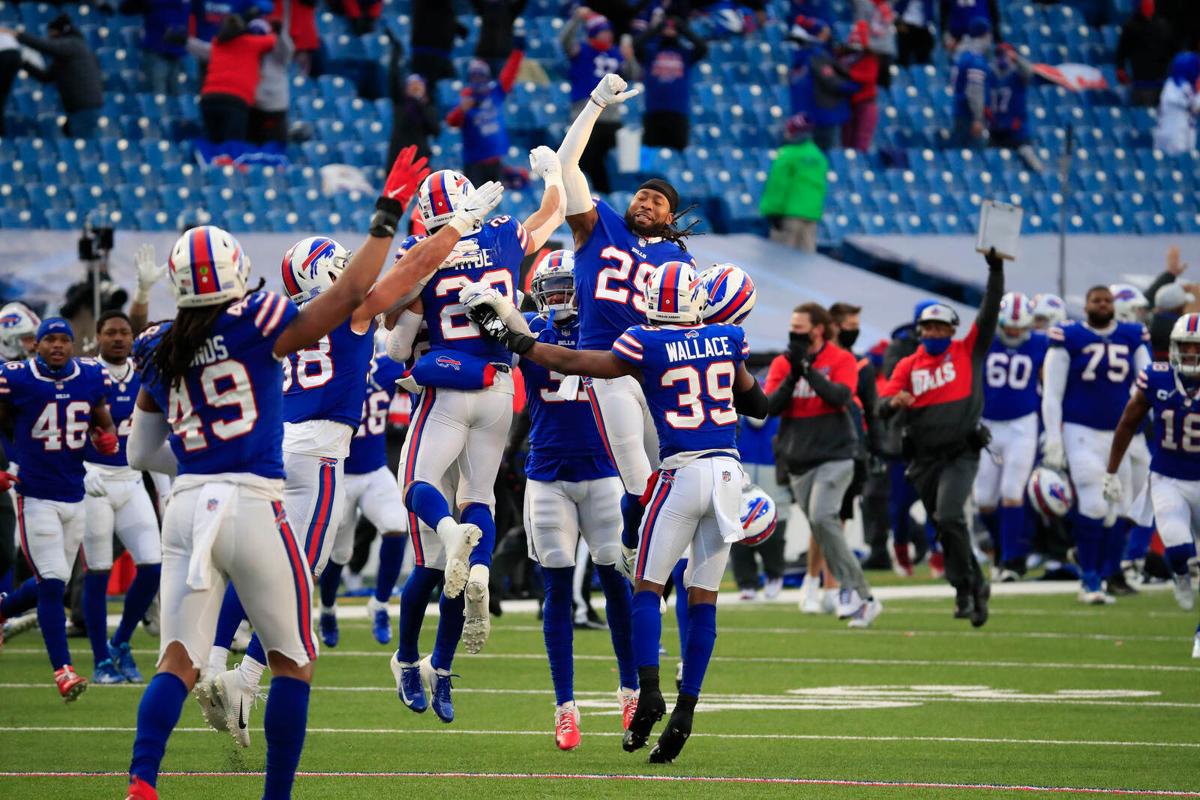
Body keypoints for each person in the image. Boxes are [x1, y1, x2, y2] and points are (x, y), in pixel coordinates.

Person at [122, 163, 502, 800]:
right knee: (293, 653)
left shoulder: (161, 346)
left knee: (176, 659)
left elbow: (141, 452)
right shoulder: (264, 320)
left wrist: (198, 465)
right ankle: (251, 708)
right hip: (288, 470)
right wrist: (450, 225)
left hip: (191, 501)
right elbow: (395, 278)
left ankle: (145, 775)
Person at [468, 260, 769, 763]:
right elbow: (758, 404)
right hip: (729, 476)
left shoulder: (642, 341)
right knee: (704, 599)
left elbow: (585, 366)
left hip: (679, 472)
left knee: (646, 589)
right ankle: (686, 711)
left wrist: (518, 342)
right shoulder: (727, 337)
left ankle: (647, 692)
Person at [195, 148, 437, 747]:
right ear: (318, 273)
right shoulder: (347, 313)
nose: (343, 267)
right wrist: (450, 232)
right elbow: (405, 278)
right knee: (299, 574)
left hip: (280, 448)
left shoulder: (281, 319)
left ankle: (221, 665)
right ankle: (240, 680)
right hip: (320, 454)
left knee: (274, 567)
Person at [386, 149, 565, 712]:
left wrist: (409, 360)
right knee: (479, 501)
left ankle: (411, 652)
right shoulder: (504, 235)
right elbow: (553, 214)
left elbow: (393, 343)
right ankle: (442, 664)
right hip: (500, 390)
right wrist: (554, 173)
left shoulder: (424, 256)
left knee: (419, 502)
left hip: (447, 390)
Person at [551, 73, 699, 564]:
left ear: (670, 217)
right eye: (641, 195)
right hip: (605, 365)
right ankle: (638, 550)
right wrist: (594, 104)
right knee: (638, 477)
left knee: (673, 469)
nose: (645, 201)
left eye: (657, 200)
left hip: (654, 367)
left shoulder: (679, 262)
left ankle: (659, 558)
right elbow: (566, 164)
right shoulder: (600, 224)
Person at [515, 250, 639, 750]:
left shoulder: (606, 333)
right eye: (554, 287)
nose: (562, 295)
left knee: (614, 580)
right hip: (547, 474)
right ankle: (565, 706)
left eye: (570, 285)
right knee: (558, 588)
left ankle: (630, 690)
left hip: (602, 472)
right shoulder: (527, 329)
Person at [878, 250, 1005, 626]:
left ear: (952, 330)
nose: (934, 333)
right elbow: (883, 403)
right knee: (944, 523)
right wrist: (893, 403)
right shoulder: (908, 364)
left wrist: (995, 268)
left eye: (941, 327)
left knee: (950, 515)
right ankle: (974, 584)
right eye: (928, 327)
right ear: (920, 331)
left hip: (961, 452)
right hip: (922, 458)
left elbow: (991, 308)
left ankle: (963, 587)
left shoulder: (969, 351)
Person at [0, 317, 117, 701]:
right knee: (51, 582)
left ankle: (3, 610)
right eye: (49, 339)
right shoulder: (15, 377)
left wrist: (107, 435)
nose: (57, 345)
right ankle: (63, 671)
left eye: (63, 339)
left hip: (74, 492)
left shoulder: (89, 374)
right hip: (34, 494)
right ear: (37, 344)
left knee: (56, 581)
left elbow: (99, 410)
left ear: (72, 345)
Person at [766, 302, 882, 627]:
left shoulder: (842, 359)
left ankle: (858, 594)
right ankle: (840, 591)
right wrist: (794, 372)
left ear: (818, 329)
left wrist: (810, 370)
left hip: (837, 454)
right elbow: (771, 406)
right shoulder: (781, 363)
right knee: (820, 525)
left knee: (822, 515)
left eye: (800, 328)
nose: (794, 334)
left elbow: (839, 396)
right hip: (799, 459)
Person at [1041, 285, 1151, 605]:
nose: (1102, 304)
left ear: (1114, 305)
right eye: (1095, 300)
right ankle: (1089, 578)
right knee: (1094, 502)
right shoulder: (1068, 335)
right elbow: (1052, 391)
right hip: (1082, 431)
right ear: (1085, 304)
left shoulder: (1132, 335)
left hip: (1122, 433)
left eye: (1106, 300)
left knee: (1120, 505)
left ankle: (1106, 573)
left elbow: (1148, 381)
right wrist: (1053, 436)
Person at [80, 312, 163, 686]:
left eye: (124, 332)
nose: (117, 338)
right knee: (97, 569)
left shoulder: (144, 372)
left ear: (133, 337)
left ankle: (120, 642)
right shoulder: (84, 374)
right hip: (93, 479)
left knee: (153, 563)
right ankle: (100, 660)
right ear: (97, 336)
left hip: (130, 479)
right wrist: (79, 471)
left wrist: (164, 487)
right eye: (110, 332)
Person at [1106, 314, 1200, 637]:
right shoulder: (1156, 378)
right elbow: (1127, 423)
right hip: (1167, 477)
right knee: (1177, 546)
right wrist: (1112, 470)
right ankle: (1181, 577)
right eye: (1185, 348)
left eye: (1196, 348)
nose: (1191, 355)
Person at [320, 352, 409, 646]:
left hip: (374, 469)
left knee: (397, 526)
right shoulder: (328, 367)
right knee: (339, 554)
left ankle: (380, 604)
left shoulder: (385, 365)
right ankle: (328, 609)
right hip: (340, 471)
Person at [973, 293, 1047, 580]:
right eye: (1009, 326)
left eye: (1020, 326)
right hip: (988, 425)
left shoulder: (1040, 342)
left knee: (1013, 492)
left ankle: (1014, 560)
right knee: (984, 500)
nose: (1015, 332)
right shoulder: (985, 341)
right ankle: (1002, 549)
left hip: (1022, 425)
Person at [828, 301, 889, 570]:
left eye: (856, 326)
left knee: (838, 513)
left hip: (850, 446)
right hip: (816, 443)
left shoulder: (861, 365)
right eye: (849, 326)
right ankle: (819, 575)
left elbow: (872, 411)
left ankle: (829, 575)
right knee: (820, 515)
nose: (854, 331)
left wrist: (877, 449)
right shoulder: (817, 360)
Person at [561, 9, 639, 193]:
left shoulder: (616, 53)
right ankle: (588, 193)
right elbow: (564, 42)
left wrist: (630, 58)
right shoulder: (582, 49)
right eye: (603, 31)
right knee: (585, 159)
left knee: (614, 161)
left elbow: (633, 74)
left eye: (609, 31)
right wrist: (576, 19)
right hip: (585, 112)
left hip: (611, 117)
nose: (608, 34)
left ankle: (610, 193)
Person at [1, 15, 104, 138]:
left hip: (85, 106)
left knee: (83, 141)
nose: (50, 37)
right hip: (77, 107)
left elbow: (46, 47)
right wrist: (24, 62)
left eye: (51, 33)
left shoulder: (74, 44)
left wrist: (17, 35)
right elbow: (46, 76)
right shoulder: (67, 56)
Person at [188, 14, 277, 144]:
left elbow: (197, 47)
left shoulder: (218, 43)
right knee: (232, 147)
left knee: (213, 145)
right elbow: (273, 40)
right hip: (235, 100)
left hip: (209, 98)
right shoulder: (250, 42)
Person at [446, 48, 525, 187]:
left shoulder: (495, 93)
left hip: (495, 159)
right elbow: (452, 122)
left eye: (481, 76)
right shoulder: (464, 100)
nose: (478, 81)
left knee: (496, 199)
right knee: (474, 201)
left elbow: (509, 75)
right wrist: (461, 110)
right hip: (474, 163)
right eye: (474, 77)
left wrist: (518, 52)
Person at [634, 12, 708, 151]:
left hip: (678, 112)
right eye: (666, 27)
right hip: (654, 112)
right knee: (652, 156)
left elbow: (702, 48)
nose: (669, 29)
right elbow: (636, 45)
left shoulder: (685, 54)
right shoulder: (651, 52)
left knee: (679, 156)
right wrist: (656, 28)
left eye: (672, 28)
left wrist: (682, 28)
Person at [787, 16, 857, 152]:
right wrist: (853, 85)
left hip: (803, 115)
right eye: (824, 32)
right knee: (820, 156)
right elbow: (832, 81)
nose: (827, 35)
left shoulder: (800, 54)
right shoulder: (817, 55)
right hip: (822, 115)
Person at [760, 114, 828, 253]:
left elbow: (778, 185)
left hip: (788, 215)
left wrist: (773, 212)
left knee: (781, 259)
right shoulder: (818, 156)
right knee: (805, 261)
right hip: (811, 215)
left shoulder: (787, 154)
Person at [986, 43, 1043, 171]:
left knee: (1029, 158)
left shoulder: (1017, 75)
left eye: (1005, 55)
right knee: (992, 163)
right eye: (999, 54)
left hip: (1016, 128)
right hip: (996, 128)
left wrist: (1016, 58)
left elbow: (1029, 72)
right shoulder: (990, 74)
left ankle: (1043, 179)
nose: (1002, 58)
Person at [386, 31, 440, 165]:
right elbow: (393, 76)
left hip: (420, 162)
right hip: (399, 161)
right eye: (412, 85)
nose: (415, 87)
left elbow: (435, 130)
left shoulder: (428, 107)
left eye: (418, 85)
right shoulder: (400, 103)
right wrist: (396, 52)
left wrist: (420, 104)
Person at [120, 0, 190, 95]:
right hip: (156, 52)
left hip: (178, 54)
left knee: (178, 99)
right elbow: (125, 8)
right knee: (158, 96)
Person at [1116, 0, 1176, 108]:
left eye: (1151, 5)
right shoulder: (1131, 26)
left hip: (1161, 79)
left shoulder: (1163, 25)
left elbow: (1170, 49)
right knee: (1144, 111)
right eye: (1146, 5)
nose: (1149, 7)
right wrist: (1120, 67)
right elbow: (1122, 50)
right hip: (1141, 80)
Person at [249, 10, 294, 145]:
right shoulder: (247, 52)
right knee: (252, 145)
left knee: (278, 145)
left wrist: (280, 34)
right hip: (254, 107)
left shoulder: (277, 54)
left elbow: (288, 50)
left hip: (276, 107)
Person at [947, 17, 991, 151]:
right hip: (968, 115)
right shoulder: (975, 60)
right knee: (976, 160)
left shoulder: (963, 55)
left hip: (960, 110)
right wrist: (978, 118)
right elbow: (974, 91)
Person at [840, 20, 880, 152]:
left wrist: (848, 73)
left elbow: (868, 77)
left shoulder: (870, 58)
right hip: (847, 104)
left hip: (865, 104)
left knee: (861, 143)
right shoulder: (844, 56)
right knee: (846, 143)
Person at [1153, 51, 1200, 156]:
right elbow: (1195, 106)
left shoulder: (1187, 86)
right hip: (1172, 135)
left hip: (1184, 133)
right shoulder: (1174, 85)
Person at [472, 0, 526, 75]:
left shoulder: (510, 9)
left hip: (503, 56)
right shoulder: (484, 7)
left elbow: (522, 3)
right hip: (484, 55)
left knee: (502, 85)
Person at [894, 0, 934, 65]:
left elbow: (930, 14)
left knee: (922, 56)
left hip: (921, 28)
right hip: (905, 26)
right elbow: (897, 10)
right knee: (903, 55)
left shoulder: (927, 2)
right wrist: (898, 23)